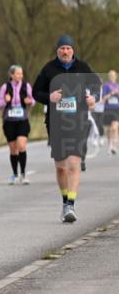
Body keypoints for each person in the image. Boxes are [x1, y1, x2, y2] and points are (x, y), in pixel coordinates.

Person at [32, 35, 100, 223]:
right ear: (57, 51)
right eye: (62, 48)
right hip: (56, 122)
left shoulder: (82, 68)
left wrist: (93, 97)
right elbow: (35, 92)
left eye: (68, 48)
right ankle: (64, 201)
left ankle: (71, 204)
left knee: (74, 164)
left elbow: (96, 85)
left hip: (78, 121)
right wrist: (49, 97)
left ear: (73, 51)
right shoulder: (48, 69)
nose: (65, 51)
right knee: (61, 166)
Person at [0, 65, 35, 185]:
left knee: (21, 146)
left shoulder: (26, 86)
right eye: (18, 74)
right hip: (9, 121)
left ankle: (23, 174)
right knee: (13, 149)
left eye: (21, 74)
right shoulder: (5, 87)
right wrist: (5, 101)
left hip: (22, 120)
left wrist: (30, 102)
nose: (20, 76)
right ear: (11, 75)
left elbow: (33, 100)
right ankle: (15, 174)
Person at [102, 70, 119, 155]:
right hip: (108, 109)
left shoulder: (118, 86)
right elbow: (103, 99)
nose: (112, 78)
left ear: (116, 77)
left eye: (114, 76)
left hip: (116, 109)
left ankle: (114, 146)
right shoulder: (106, 86)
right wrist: (111, 93)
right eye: (111, 76)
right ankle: (109, 145)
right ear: (109, 77)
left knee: (115, 128)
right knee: (108, 129)